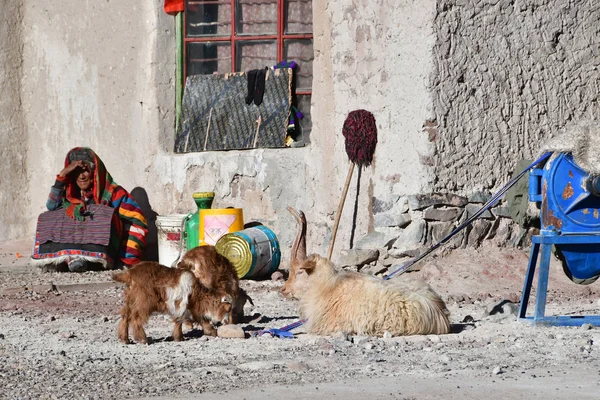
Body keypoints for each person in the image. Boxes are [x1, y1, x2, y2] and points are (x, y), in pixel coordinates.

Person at [31, 147, 148, 272]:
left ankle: (89, 261)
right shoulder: (71, 194)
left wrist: (128, 260)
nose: (81, 177)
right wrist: (62, 176)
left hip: (105, 253)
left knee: (102, 215)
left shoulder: (114, 193)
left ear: (95, 172)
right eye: (76, 172)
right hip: (74, 253)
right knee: (51, 216)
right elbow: (51, 206)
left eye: (85, 171)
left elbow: (137, 221)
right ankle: (67, 260)